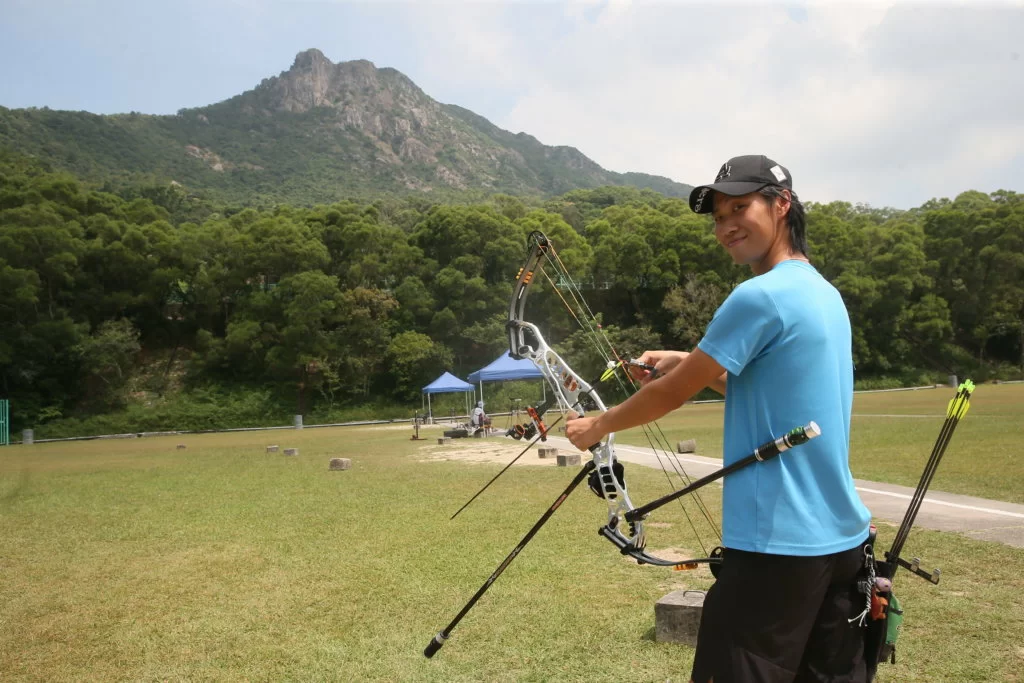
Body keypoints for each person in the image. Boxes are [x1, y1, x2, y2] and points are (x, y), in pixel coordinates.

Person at [566, 155, 873, 682]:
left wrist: (598, 426)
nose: (726, 225)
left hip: (776, 547)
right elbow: (764, 388)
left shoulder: (759, 295)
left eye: (739, 207)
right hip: (843, 542)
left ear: (781, 206)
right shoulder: (824, 294)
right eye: (716, 216)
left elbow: (673, 394)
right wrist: (687, 361)